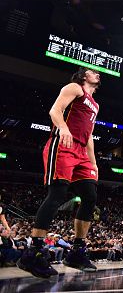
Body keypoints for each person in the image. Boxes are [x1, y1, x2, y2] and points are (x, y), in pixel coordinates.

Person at [17, 68, 101, 278]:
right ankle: (33, 252)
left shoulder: (95, 104)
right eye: (93, 72)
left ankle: (76, 252)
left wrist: (93, 162)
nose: (97, 74)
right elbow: (55, 110)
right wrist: (63, 128)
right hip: (63, 144)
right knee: (58, 195)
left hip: (82, 151)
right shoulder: (75, 88)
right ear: (83, 76)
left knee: (90, 197)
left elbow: (89, 135)